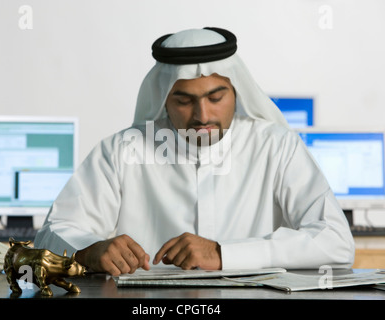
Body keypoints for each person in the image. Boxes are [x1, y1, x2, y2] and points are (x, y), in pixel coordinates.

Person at [34, 27, 354, 276]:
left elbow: (335, 241)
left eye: (216, 98)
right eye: (184, 101)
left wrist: (222, 254)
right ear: (163, 99)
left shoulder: (277, 145)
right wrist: (89, 251)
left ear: (236, 92)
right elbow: (53, 233)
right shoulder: (120, 150)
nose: (202, 116)